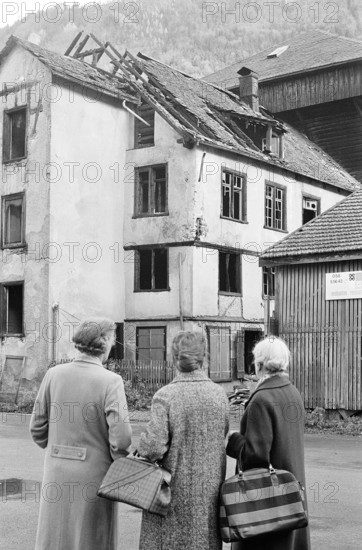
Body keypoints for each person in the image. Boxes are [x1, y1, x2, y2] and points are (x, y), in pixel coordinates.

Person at [30, 318, 132, 550]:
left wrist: (56, 446)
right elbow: (122, 438)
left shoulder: (53, 375)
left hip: (56, 472)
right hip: (95, 475)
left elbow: (37, 427)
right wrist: (118, 462)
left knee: (56, 537)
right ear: (104, 343)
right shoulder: (111, 381)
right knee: (90, 539)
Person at [137, 330, 229, 550]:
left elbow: (152, 449)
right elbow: (221, 436)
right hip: (209, 493)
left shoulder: (165, 396)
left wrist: (142, 441)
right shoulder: (219, 395)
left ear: (174, 358)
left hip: (171, 492)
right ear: (204, 357)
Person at [226, 336, 311, 550]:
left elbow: (255, 455)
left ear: (259, 364)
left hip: (268, 506)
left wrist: (232, 440)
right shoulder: (293, 392)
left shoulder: (261, 399)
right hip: (292, 497)